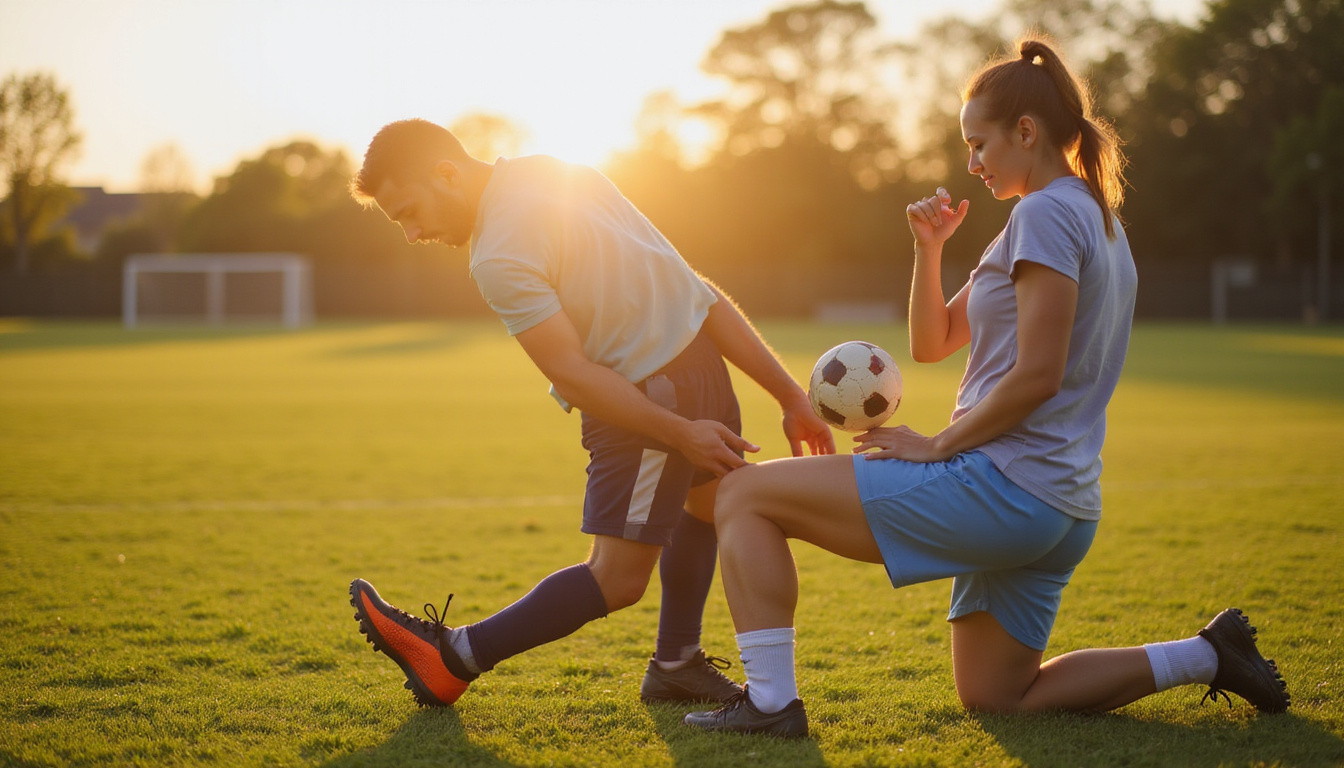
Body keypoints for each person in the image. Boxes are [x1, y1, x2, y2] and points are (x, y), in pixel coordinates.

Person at [683, 39, 1290, 738]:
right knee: (998, 695)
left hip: (1004, 487)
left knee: (742, 494)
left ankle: (768, 704)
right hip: (1059, 504)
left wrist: (937, 444)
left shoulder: (1046, 215)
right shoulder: (1088, 218)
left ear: (1026, 132)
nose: (971, 163)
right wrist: (928, 249)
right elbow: (932, 342)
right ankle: (1208, 655)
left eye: (979, 144)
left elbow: (1039, 374)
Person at [343, 119, 835, 708]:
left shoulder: (499, 252)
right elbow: (674, 309)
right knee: (654, 548)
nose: (413, 232)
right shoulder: (558, 172)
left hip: (665, 394)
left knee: (677, 533)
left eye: (408, 212)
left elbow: (677, 302)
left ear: (446, 173)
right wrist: (762, 403)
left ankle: (658, 662)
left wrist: (783, 397)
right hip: (664, 394)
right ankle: (463, 657)